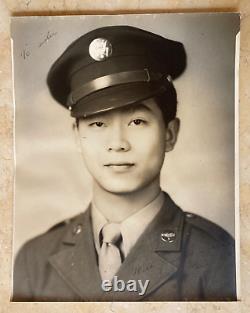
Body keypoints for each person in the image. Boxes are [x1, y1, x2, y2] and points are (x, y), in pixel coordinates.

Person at [13, 25, 236, 302]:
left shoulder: (219, 258)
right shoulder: (34, 261)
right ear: (77, 137)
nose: (117, 143)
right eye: (97, 123)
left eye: (137, 121)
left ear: (170, 134)